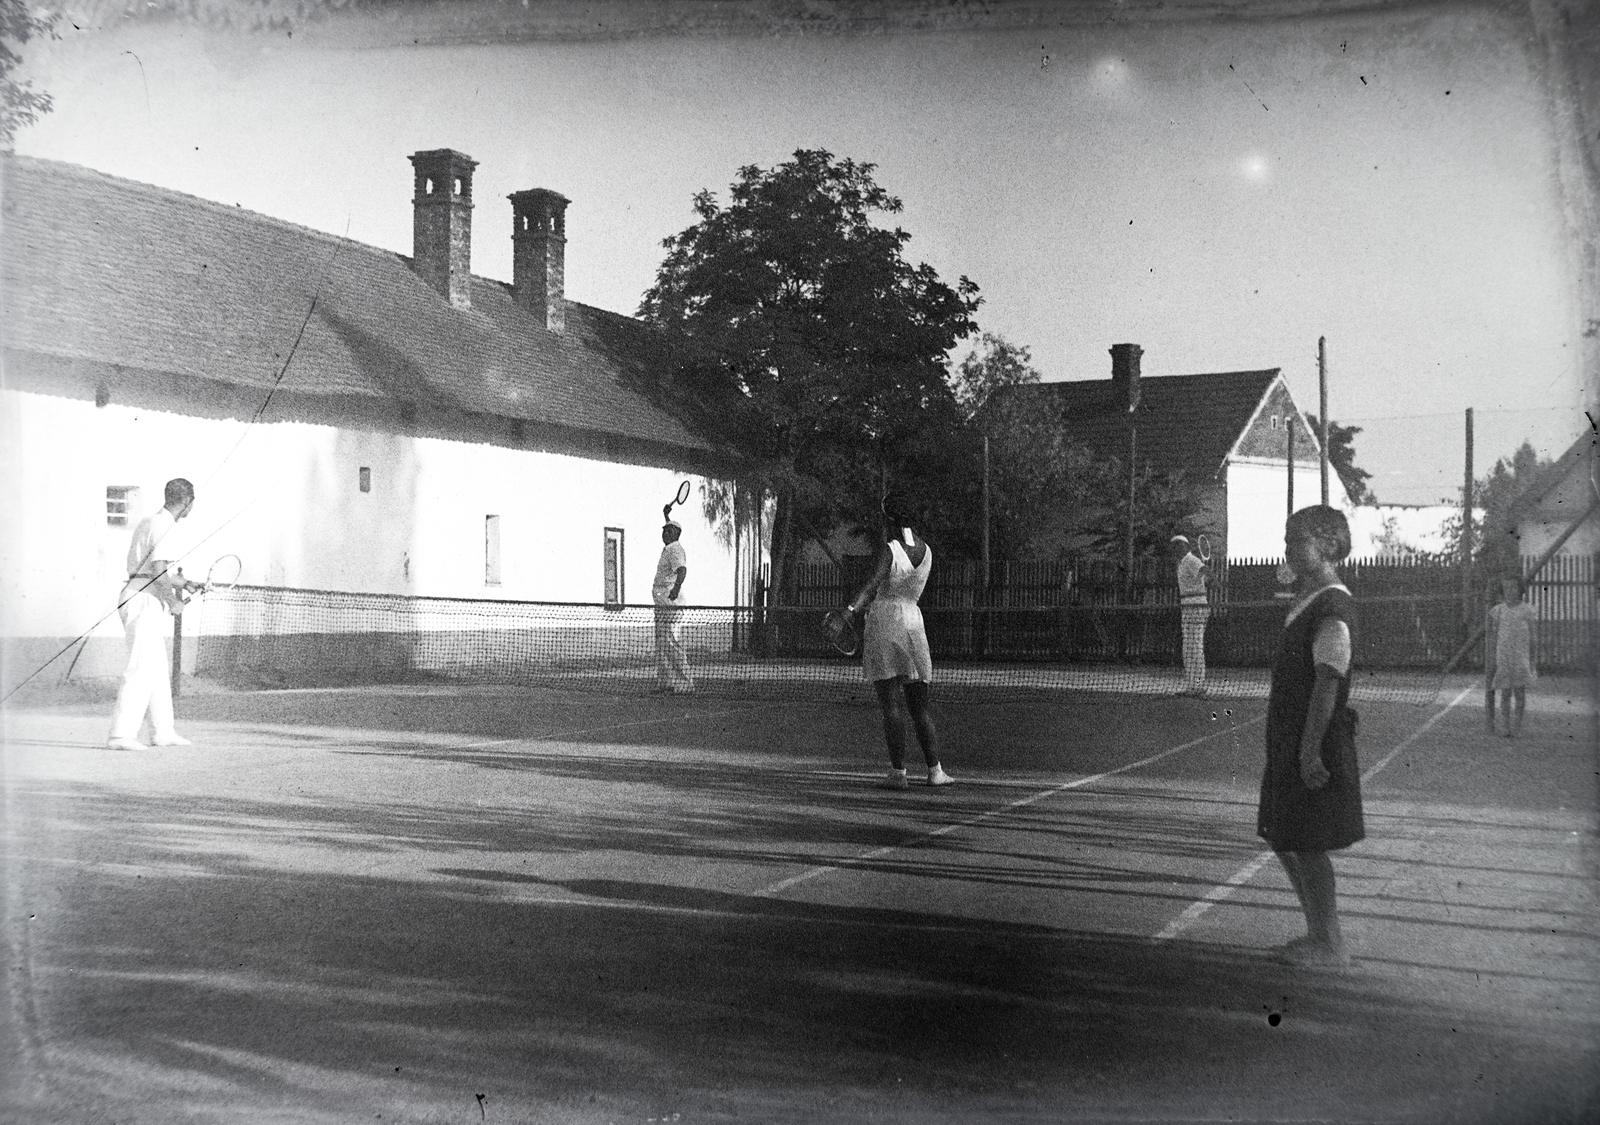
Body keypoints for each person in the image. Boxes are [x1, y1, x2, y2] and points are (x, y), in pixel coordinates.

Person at [1256, 505, 1361, 969]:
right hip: (1290, 737)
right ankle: (1317, 933)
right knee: (1285, 836)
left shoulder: (1333, 605)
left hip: (1313, 741)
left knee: (1308, 843)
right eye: (1286, 539)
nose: (1288, 548)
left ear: (1329, 546)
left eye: (1298, 540)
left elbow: (1328, 680)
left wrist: (1308, 748)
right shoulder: (1307, 597)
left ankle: (1331, 943)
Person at [848, 500, 952, 790]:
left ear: (889, 520)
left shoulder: (890, 549)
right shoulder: (927, 551)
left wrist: (847, 611)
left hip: (886, 623)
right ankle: (936, 771)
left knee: (891, 706)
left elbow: (871, 586)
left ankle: (899, 774)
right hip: (914, 625)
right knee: (920, 708)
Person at [107, 478, 196, 751]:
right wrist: (173, 601)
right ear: (188, 502)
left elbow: (152, 570)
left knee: (156, 668)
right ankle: (120, 735)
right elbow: (158, 572)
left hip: (139, 592)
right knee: (141, 667)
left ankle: (163, 731)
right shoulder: (164, 526)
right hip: (143, 599)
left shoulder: (150, 521)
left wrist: (186, 583)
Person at [1486, 574, 1537, 739]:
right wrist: (1493, 657)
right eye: (1506, 587)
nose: (1510, 591)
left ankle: (1517, 727)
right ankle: (1506, 727)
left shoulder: (1527, 610)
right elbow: (1493, 637)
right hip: (1504, 657)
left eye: (1513, 587)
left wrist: (1532, 659)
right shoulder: (1498, 611)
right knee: (1505, 693)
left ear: (1520, 589)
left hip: (1520, 658)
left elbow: (1533, 637)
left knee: (1520, 694)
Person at [652, 512, 695, 694]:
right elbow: (671, 526)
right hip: (661, 604)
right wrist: (666, 514)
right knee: (662, 644)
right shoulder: (669, 548)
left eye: (667, 531)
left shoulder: (676, 549)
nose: (664, 533)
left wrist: (676, 589)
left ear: (675, 533)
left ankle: (685, 684)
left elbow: (682, 570)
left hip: (671, 603)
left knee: (672, 643)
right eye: (663, 530)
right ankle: (667, 683)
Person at [1171, 534, 1210, 695]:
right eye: (1174, 545)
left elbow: (1206, 571)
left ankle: (1198, 686)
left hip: (1195, 605)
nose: (1176, 547)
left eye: (1179, 544)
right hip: (1187, 605)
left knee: (1194, 646)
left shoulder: (1191, 560)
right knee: (1189, 647)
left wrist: (1209, 579)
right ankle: (1192, 685)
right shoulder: (1181, 564)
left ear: (1186, 547)